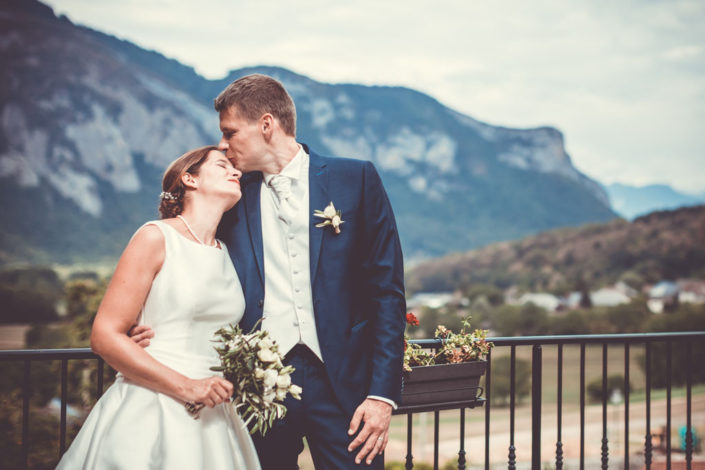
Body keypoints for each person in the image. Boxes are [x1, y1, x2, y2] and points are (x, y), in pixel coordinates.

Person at [214, 74, 406, 469]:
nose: (222, 144)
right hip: (258, 389)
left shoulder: (356, 179)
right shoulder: (229, 196)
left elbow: (387, 292)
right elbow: (189, 256)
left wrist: (381, 396)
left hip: (346, 389)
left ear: (266, 125)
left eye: (230, 132)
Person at [57, 146, 260, 469]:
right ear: (189, 178)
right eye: (222, 166)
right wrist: (188, 387)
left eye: (235, 169)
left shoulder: (226, 252)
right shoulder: (155, 237)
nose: (236, 172)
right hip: (154, 402)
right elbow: (105, 335)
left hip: (215, 409)